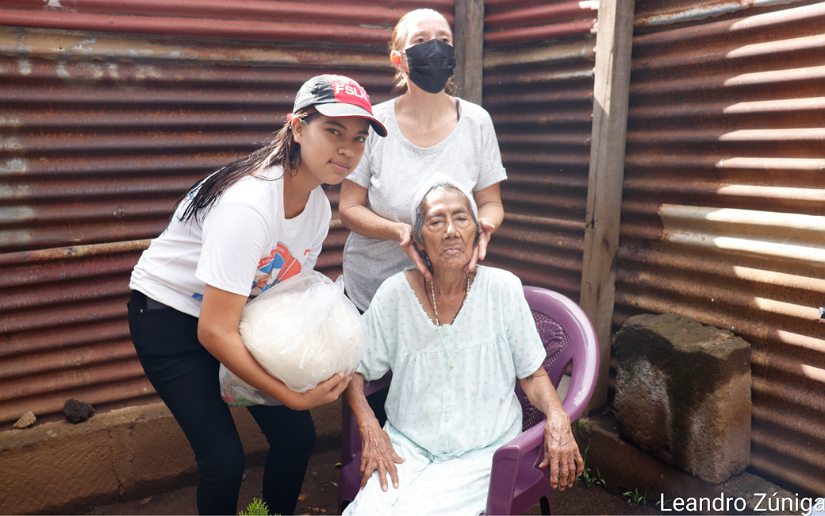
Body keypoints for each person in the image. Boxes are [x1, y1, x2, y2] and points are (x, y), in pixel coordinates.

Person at [127, 74, 387, 515]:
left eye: (359, 138)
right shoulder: (248, 205)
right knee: (223, 462)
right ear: (298, 127)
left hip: (237, 315)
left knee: (296, 437)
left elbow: (280, 301)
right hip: (168, 319)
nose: (348, 149)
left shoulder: (317, 207)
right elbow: (214, 331)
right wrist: (293, 396)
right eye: (334, 131)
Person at [342, 175, 583, 515]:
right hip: (406, 448)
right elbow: (354, 368)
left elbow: (532, 374)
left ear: (476, 232)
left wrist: (558, 416)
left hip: (482, 455)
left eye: (461, 218)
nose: (451, 231)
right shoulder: (395, 294)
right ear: (418, 239)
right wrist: (369, 426)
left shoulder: (502, 289)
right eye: (436, 221)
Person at [340, 7, 506, 314]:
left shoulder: (477, 122)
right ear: (398, 59)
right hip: (372, 291)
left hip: (447, 292)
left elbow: (490, 202)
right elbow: (349, 208)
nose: (435, 47)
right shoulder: (374, 123)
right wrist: (400, 231)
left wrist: (485, 226)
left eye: (444, 39)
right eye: (421, 40)